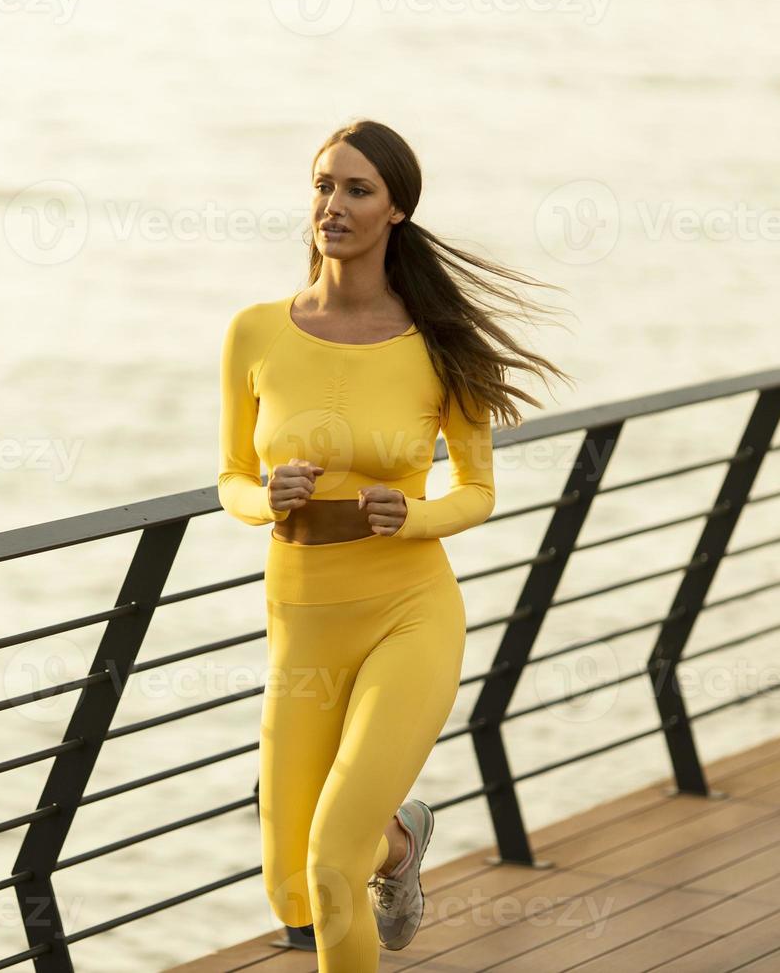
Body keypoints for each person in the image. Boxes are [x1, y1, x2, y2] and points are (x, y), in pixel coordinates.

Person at [217, 118, 574, 971]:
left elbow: (478, 491)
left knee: (332, 859)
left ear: (397, 211)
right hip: (300, 621)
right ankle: (402, 843)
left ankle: (377, 847)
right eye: (323, 185)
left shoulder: (439, 346)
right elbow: (228, 476)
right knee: (291, 884)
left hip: (408, 614)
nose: (331, 205)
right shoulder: (255, 332)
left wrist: (410, 517)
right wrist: (263, 499)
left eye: (356, 189)